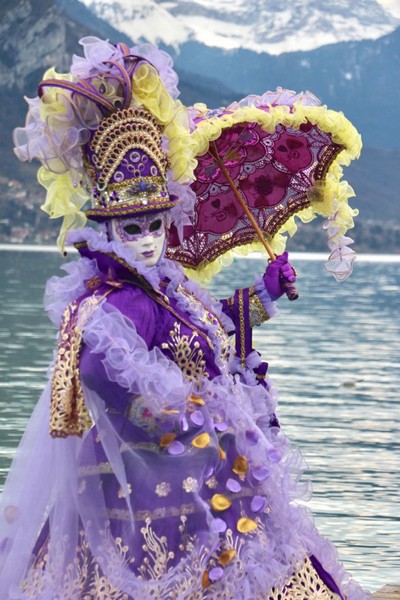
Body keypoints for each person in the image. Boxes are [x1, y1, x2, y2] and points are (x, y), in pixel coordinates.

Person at [0, 37, 370, 599]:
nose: (148, 241)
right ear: (106, 230)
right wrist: (191, 413)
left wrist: (264, 293)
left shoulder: (165, 289)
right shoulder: (117, 300)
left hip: (202, 469)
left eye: (155, 224)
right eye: (132, 228)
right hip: (159, 478)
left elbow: (208, 329)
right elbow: (101, 374)